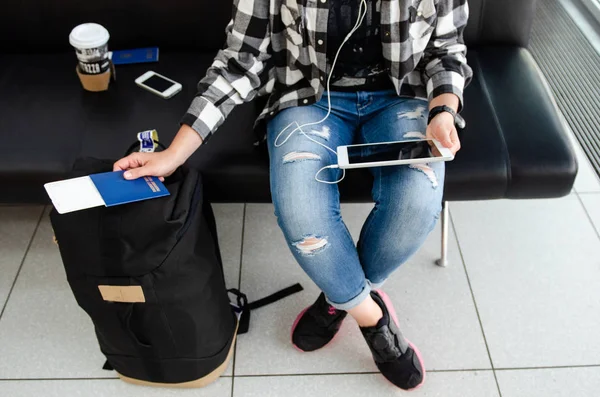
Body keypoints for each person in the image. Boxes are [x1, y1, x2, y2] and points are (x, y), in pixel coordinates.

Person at [114, 0, 472, 390]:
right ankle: (370, 316)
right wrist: (173, 154)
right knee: (303, 215)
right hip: (308, 98)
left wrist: (443, 112)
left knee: (417, 203)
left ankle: (339, 297)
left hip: (403, 97)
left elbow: (446, 52)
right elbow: (239, 63)